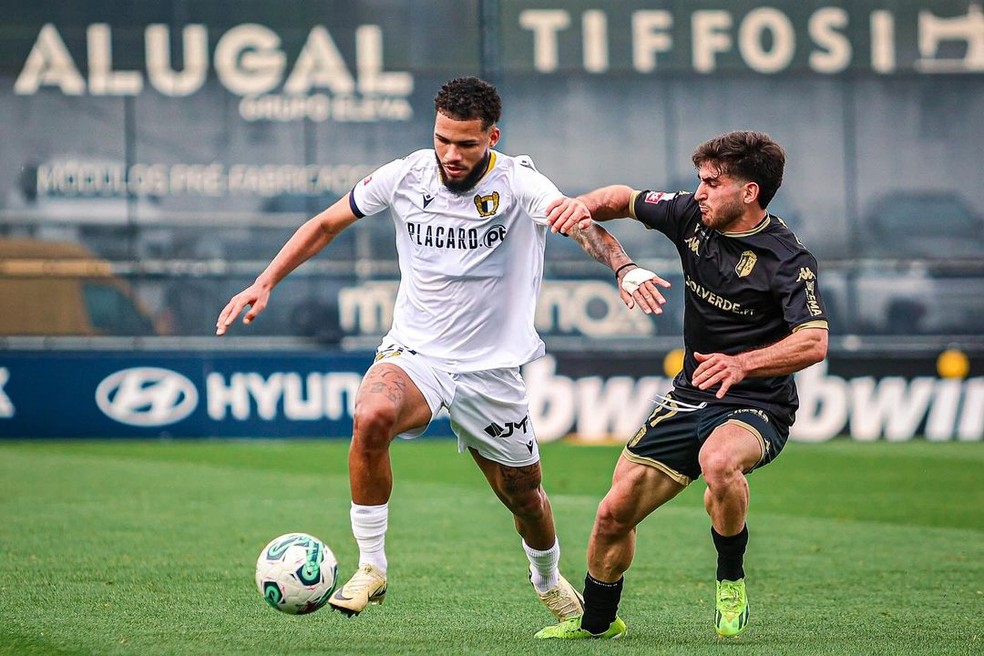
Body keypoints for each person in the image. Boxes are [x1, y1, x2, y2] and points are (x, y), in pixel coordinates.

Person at [215, 77, 667, 622]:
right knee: (371, 414)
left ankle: (546, 578)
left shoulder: (520, 183)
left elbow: (583, 226)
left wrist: (624, 266)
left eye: (467, 144)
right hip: (417, 353)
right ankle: (372, 567)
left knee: (525, 498)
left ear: (492, 137)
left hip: (493, 371)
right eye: (442, 140)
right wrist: (266, 280)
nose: (452, 155)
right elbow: (327, 223)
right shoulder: (405, 175)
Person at [535, 130, 829, 640]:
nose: (699, 192)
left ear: (749, 192)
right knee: (612, 513)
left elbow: (814, 341)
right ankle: (598, 622)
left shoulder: (787, 258)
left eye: (712, 182)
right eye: (699, 180)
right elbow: (622, 198)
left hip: (757, 402)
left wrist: (743, 365)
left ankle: (730, 577)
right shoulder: (692, 215)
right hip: (690, 394)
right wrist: (576, 206)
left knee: (719, 462)